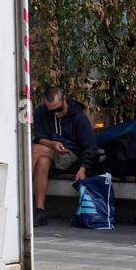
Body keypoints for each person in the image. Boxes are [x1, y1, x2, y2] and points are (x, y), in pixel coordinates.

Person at [31, 87, 99, 227]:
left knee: (36, 150)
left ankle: (17, 196)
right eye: (51, 111)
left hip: (69, 153)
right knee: (42, 161)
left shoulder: (78, 116)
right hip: (49, 151)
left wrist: (84, 167)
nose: (55, 114)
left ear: (64, 100)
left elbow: (91, 145)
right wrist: (52, 144)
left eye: (58, 109)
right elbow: (39, 137)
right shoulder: (41, 112)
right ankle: (40, 210)